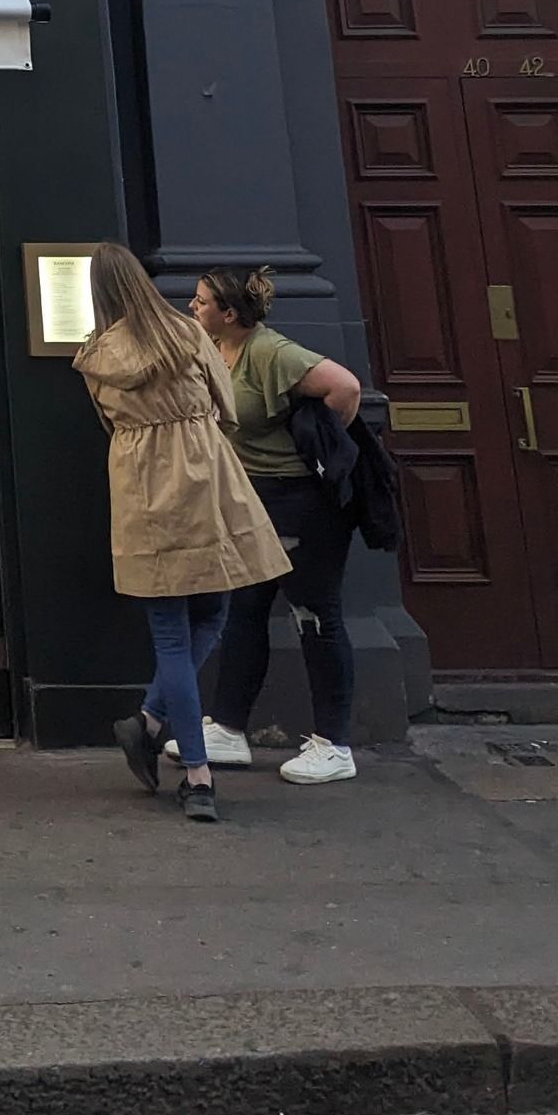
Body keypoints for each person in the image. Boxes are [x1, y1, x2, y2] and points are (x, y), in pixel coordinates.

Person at [74, 241, 289, 824]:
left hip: (141, 487)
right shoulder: (187, 333)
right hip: (205, 478)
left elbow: (108, 423)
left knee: (169, 634)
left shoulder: (95, 356)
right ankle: (180, 757)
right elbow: (227, 406)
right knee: (213, 614)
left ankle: (175, 752)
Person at [191, 268, 365, 785]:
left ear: (229, 314)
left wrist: (313, 444)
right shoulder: (218, 350)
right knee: (245, 609)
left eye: (201, 302)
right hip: (254, 497)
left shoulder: (270, 352)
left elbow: (345, 387)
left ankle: (335, 746)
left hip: (300, 501)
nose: (191, 308)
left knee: (314, 613)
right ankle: (228, 729)